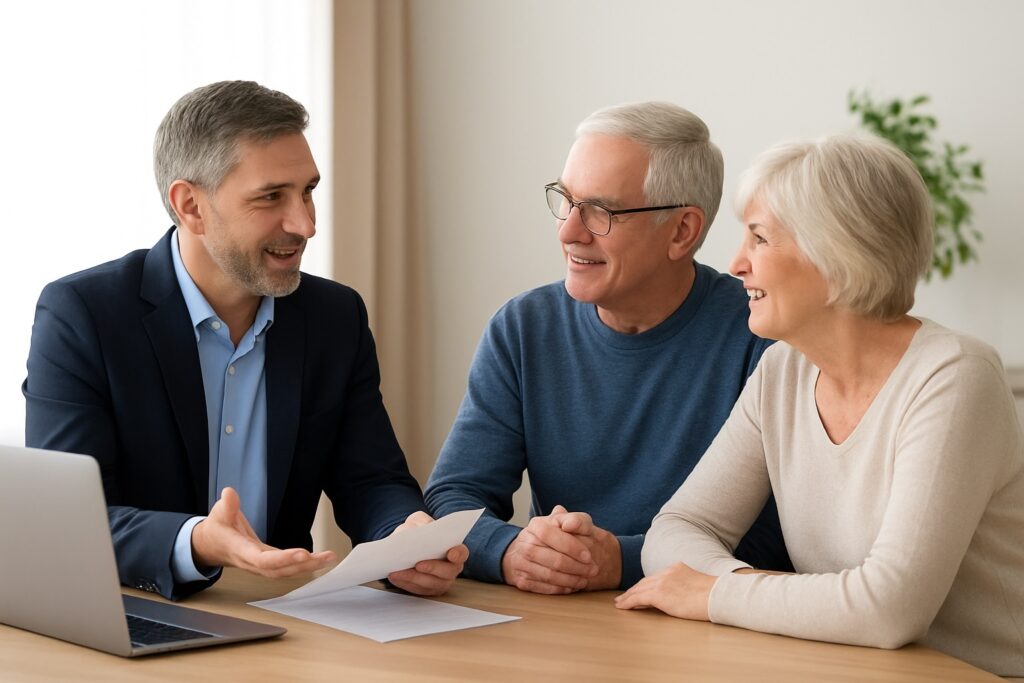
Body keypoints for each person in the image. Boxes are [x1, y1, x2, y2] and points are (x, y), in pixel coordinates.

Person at [23, 80, 467, 601]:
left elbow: (371, 479)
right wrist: (197, 542)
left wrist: (403, 538)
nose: (304, 223)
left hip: (283, 617)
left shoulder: (334, 317)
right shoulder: (83, 315)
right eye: (272, 197)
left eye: (307, 191)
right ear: (190, 205)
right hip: (134, 613)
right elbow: (69, 523)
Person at [616, 134, 1024, 679]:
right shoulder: (782, 372)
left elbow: (888, 609)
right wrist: (742, 591)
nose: (736, 263)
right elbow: (677, 528)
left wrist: (712, 593)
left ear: (837, 256)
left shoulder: (954, 378)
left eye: (760, 239)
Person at [424, 102, 792, 595]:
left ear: (682, 231)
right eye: (566, 201)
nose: (569, 230)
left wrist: (621, 561)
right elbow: (453, 494)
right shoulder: (523, 328)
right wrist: (510, 551)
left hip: (705, 629)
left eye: (601, 211)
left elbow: (779, 537)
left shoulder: (764, 339)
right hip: (555, 626)